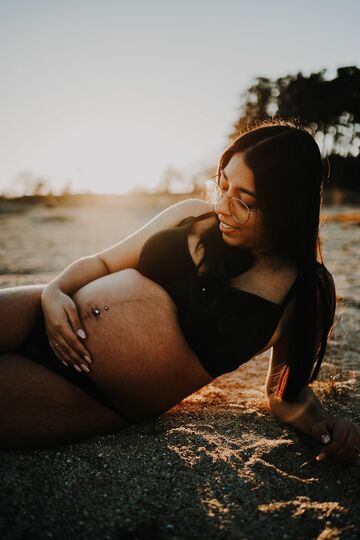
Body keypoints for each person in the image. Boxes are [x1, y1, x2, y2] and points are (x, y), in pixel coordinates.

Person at [1, 120, 359, 461]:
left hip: (88, 394)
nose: (222, 205)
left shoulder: (305, 290)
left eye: (245, 200)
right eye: (223, 184)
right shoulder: (193, 216)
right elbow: (103, 263)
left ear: (286, 208)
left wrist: (326, 428)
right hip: (40, 312)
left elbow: (286, 395)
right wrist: (55, 292)